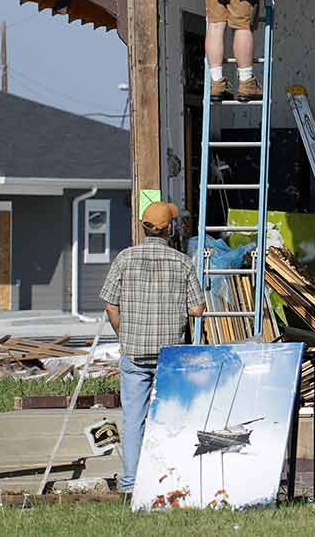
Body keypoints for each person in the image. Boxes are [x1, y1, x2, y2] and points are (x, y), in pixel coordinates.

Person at [99, 202, 206, 494]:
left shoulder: (124, 259)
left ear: (144, 227)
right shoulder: (182, 262)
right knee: (172, 418)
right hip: (170, 357)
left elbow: (110, 305)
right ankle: (169, 480)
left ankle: (132, 483)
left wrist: (124, 333)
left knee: (133, 420)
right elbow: (197, 310)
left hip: (134, 353)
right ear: (169, 229)